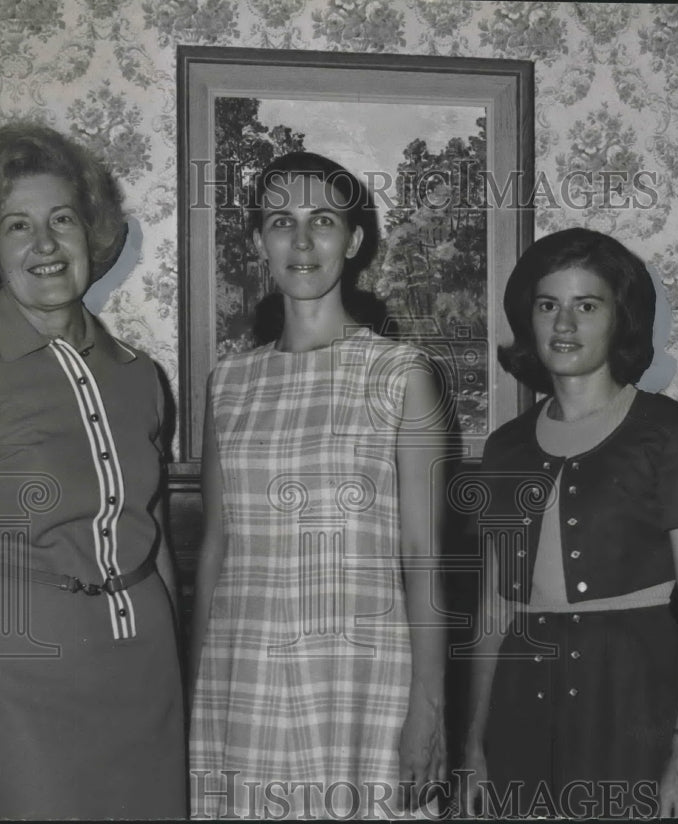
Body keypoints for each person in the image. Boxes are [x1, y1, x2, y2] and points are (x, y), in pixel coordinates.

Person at [0, 122, 186, 820]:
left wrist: (181, 671)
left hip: (144, 678)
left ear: (91, 231)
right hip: (14, 691)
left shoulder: (141, 375)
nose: (44, 244)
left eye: (62, 219)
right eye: (17, 225)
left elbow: (157, 546)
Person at [188, 152, 448, 819]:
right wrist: (197, 687)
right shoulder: (229, 384)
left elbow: (423, 554)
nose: (302, 241)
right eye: (281, 221)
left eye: (323, 220)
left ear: (354, 240)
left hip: (363, 676)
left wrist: (428, 704)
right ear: (259, 242)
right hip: (244, 672)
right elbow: (215, 546)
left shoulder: (401, 374)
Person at [460, 228, 678, 818]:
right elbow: (495, 610)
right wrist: (473, 744)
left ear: (619, 317)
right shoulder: (504, 449)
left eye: (587, 305)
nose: (564, 324)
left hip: (636, 696)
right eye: (548, 304)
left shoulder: (671, 435)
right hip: (522, 697)